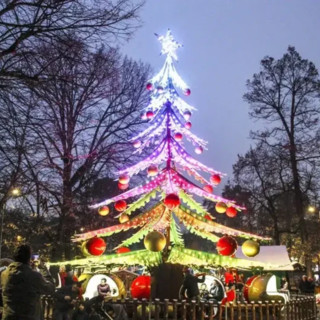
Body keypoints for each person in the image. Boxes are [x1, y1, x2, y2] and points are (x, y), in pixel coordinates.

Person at [1, 244, 55, 320]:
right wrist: (43, 269)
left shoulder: (4, 274)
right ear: (29, 258)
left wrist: (29, 268)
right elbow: (50, 289)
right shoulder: (34, 276)